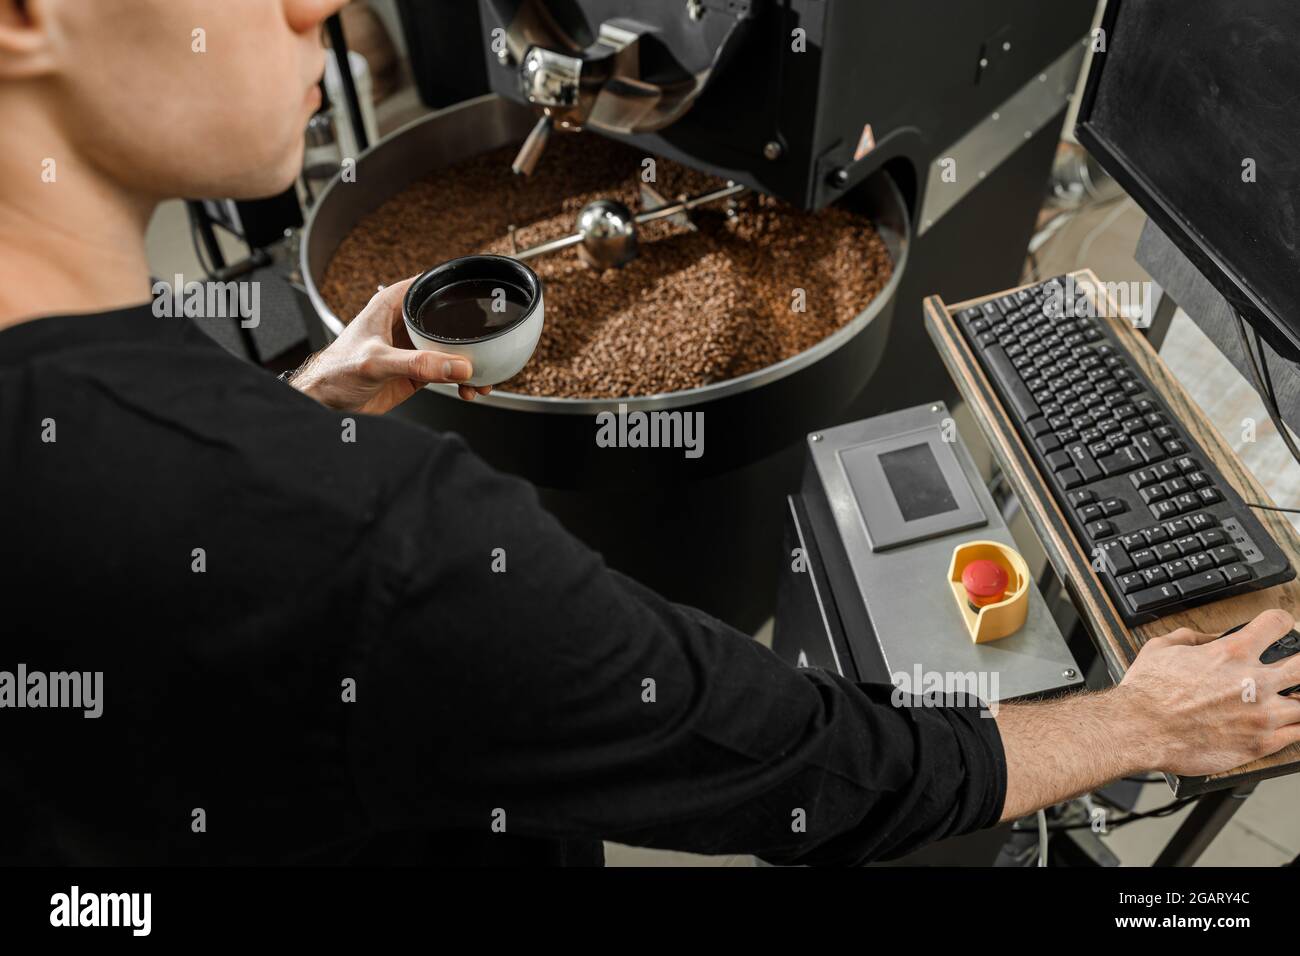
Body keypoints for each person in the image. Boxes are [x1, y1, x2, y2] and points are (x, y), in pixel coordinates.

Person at [1, 0, 1298, 867]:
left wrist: (284, 417)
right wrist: (1140, 729)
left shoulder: (147, 431)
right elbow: (799, 761)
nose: (320, 6)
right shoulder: (377, 539)